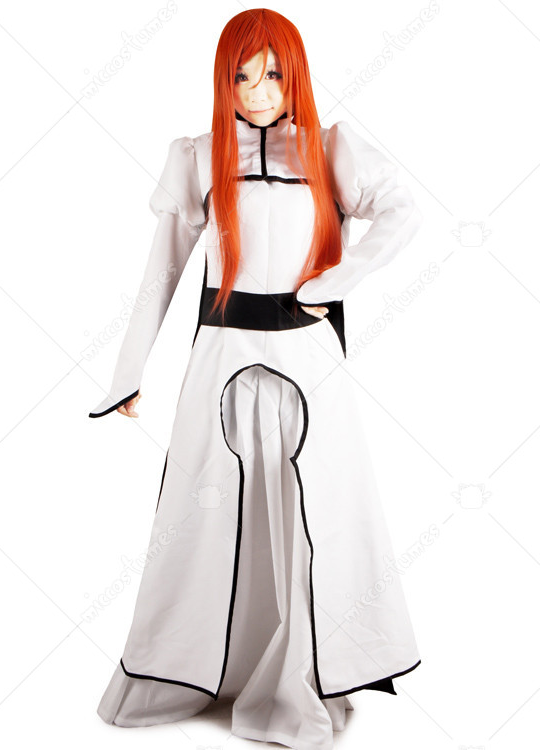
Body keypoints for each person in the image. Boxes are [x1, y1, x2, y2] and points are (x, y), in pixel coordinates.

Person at [89, 9, 423, 750]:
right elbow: (162, 270)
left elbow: (402, 211)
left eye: (272, 73)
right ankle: (198, 670)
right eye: (242, 76)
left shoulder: (330, 149)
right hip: (222, 355)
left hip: (309, 360)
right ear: (224, 81)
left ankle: (302, 677)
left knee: (316, 510)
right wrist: (127, 372)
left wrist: (336, 282)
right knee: (206, 508)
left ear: (294, 72)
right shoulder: (199, 157)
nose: (259, 90)